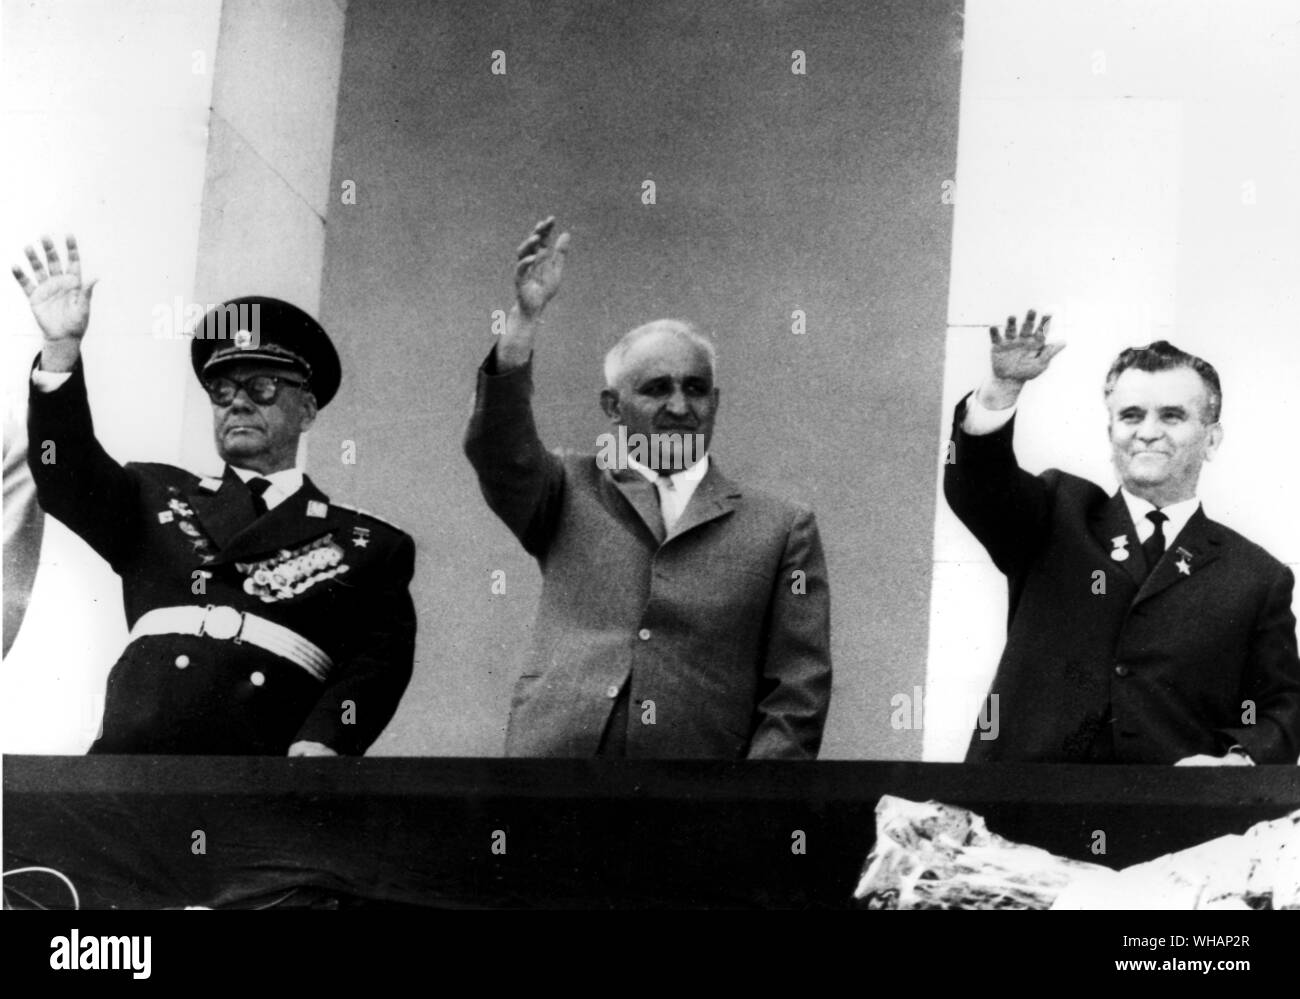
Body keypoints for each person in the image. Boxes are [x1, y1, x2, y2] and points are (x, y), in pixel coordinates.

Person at [13, 234, 417, 755]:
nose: (238, 404)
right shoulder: (154, 494)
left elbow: (377, 665)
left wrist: (325, 743)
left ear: (308, 409)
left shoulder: (368, 545)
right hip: (134, 768)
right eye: (222, 391)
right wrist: (60, 351)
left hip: (260, 773)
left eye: (262, 387)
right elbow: (63, 474)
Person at [464, 217, 832, 758]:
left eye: (695, 389)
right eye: (657, 389)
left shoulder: (780, 526)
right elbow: (498, 448)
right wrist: (524, 320)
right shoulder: (567, 487)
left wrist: (755, 806)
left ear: (716, 402)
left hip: (699, 795)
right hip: (556, 774)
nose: (680, 407)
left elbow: (798, 688)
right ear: (613, 407)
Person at [945, 310, 1300, 764]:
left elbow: (1282, 707)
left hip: (1168, 817)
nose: (1148, 432)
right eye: (1131, 415)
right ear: (1110, 430)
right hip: (1028, 804)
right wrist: (1002, 390)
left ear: (1211, 440)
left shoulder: (1254, 575)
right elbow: (977, 486)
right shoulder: (1057, 512)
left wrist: (1236, 759)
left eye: (1172, 416)